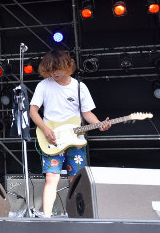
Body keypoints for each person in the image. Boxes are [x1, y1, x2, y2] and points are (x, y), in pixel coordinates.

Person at [29, 50, 110, 217]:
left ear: (67, 66)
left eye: (57, 69)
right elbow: (33, 111)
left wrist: (99, 124)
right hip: (51, 137)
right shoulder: (43, 85)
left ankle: (76, 215)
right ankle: (46, 216)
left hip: (75, 139)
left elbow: (87, 113)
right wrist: (45, 129)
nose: (54, 73)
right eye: (51, 70)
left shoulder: (79, 87)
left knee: (76, 178)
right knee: (51, 177)